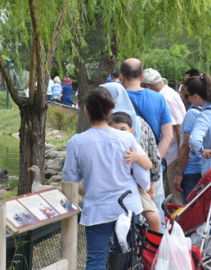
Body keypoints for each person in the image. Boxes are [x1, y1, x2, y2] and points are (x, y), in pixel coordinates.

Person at [63, 87, 149, 269]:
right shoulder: (126, 138)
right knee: (125, 257)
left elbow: (70, 177)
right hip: (128, 206)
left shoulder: (76, 142)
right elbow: (143, 178)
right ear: (111, 111)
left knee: (95, 259)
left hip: (97, 209)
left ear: (86, 110)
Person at [121, 58, 173, 232]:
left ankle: (127, 257)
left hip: (123, 169)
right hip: (152, 172)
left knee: (124, 221)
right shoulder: (158, 99)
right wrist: (152, 162)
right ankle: (155, 256)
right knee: (156, 217)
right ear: (142, 77)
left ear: (122, 77)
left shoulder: (115, 99)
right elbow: (168, 136)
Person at [109, 112, 161, 232]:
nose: (119, 133)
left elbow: (149, 164)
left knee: (154, 218)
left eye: (123, 129)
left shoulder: (133, 146)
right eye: (114, 129)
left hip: (136, 188)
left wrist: (137, 157)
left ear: (131, 131)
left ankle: (153, 245)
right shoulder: (107, 145)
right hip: (115, 188)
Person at [141, 68, 186, 205]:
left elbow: (178, 128)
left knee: (174, 196)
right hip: (171, 153)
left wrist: (180, 159)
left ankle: (177, 225)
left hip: (173, 154)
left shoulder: (164, 98)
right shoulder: (169, 92)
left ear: (148, 87)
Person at [173, 82, 202, 204]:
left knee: (192, 210)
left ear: (195, 97)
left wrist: (179, 173)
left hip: (191, 170)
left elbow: (186, 145)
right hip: (204, 168)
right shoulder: (208, 111)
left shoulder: (192, 113)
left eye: (186, 95)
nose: (182, 97)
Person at [186, 74, 211, 176]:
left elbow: (194, 141)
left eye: (187, 95)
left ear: (196, 97)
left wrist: (201, 151)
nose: (187, 99)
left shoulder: (205, 116)